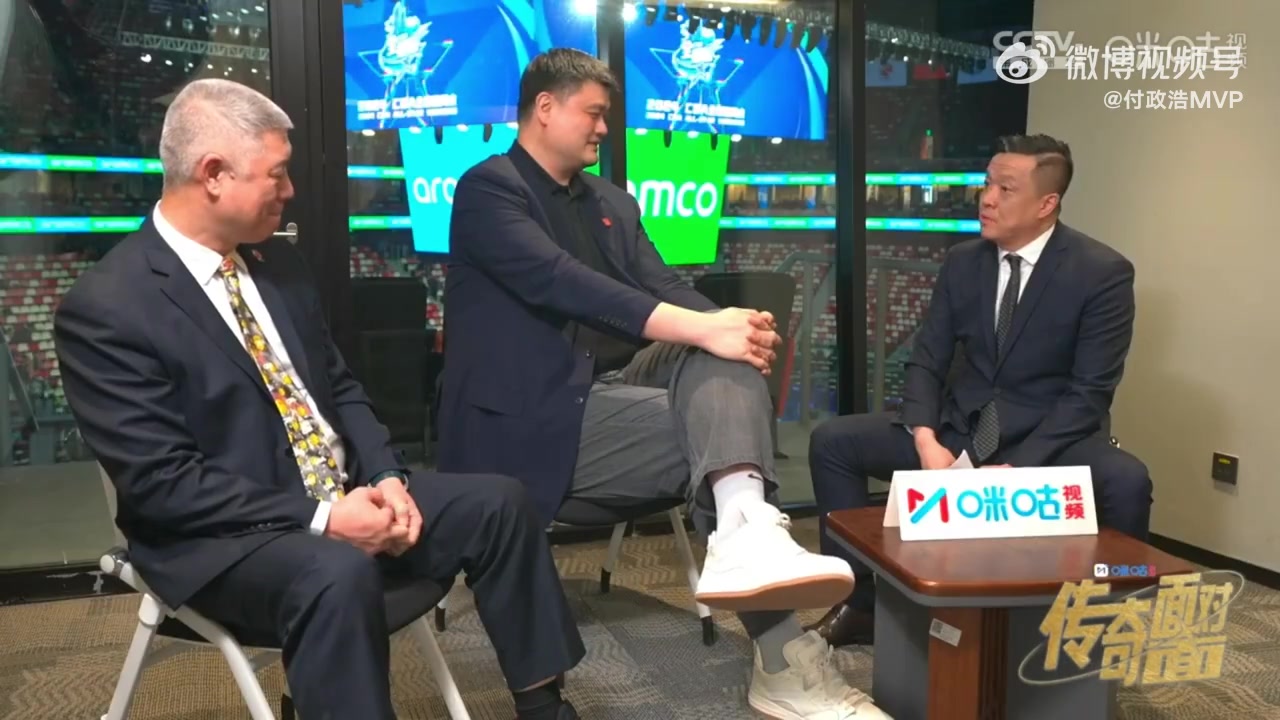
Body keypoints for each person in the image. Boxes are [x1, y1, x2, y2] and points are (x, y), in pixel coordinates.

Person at [54, 79, 586, 720]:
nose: (290, 190)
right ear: (213, 174)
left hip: (343, 492)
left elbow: (339, 388)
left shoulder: (278, 265)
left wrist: (386, 477)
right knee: (335, 572)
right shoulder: (108, 308)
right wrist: (326, 520)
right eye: (276, 173)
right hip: (220, 539)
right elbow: (166, 486)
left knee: (500, 504)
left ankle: (545, 707)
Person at [440, 48, 889, 720]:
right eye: (594, 114)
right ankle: (778, 649)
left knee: (723, 366)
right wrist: (708, 328)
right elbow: (564, 282)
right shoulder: (488, 190)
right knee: (721, 444)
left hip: (616, 383)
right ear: (545, 108)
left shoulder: (609, 201)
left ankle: (746, 533)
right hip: (530, 414)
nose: (603, 128)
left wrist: (727, 327)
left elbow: (663, 285)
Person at [806, 134, 1153, 648]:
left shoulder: (1101, 272)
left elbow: (1089, 393)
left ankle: (1102, 628)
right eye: (987, 184)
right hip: (961, 430)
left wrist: (1020, 468)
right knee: (834, 442)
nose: (986, 198)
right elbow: (928, 359)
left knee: (1128, 481)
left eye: (1005, 189)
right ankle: (861, 604)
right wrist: (925, 438)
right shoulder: (963, 261)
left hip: (1048, 439)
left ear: (1046, 204)